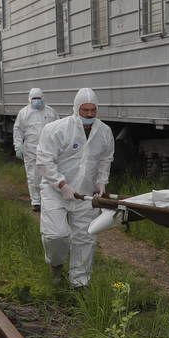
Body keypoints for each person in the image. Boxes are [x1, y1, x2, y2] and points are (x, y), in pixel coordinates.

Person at [36, 88, 114, 288]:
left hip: (85, 195)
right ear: (76, 108)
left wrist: (101, 183)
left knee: (85, 238)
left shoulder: (104, 132)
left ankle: (79, 283)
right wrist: (61, 184)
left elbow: (105, 159)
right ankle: (55, 264)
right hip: (55, 192)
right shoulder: (56, 129)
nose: (89, 114)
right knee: (56, 235)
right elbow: (44, 161)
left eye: (93, 110)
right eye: (85, 110)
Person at [13, 88, 58, 211]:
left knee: (49, 174)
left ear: (43, 98)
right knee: (33, 176)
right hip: (30, 150)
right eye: (34, 99)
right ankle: (36, 201)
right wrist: (18, 147)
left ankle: (48, 199)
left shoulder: (51, 112)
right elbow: (18, 130)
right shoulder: (24, 113)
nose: (37, 101)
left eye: (39, 98)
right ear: (30, 99)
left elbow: (59, 129)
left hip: (48, 149)